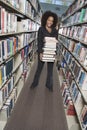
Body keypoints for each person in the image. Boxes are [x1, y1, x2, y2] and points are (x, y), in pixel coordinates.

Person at [30, 11, 58, 91]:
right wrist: (40, 53)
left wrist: (54, 53)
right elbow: (39, 41)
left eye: (52, 21)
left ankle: (49, 85)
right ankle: (34, 83)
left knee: (50, 70)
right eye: (49, 20)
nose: (50, 22)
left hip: (51, 52)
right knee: (39, 69)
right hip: (43, 52)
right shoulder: (41, 29)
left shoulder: (55, 30)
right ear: (45, 19)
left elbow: (55, 41)